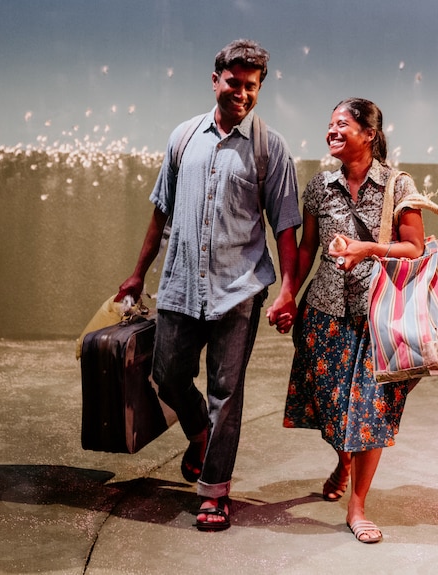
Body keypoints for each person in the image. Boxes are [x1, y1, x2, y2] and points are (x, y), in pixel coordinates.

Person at [116, 39, 301, 531]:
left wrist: (287, 290)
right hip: (180, 282)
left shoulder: (268, 147)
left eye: (251, 86)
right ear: (215, 79)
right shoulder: (183, 138)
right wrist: (138, 273)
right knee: (167, 374)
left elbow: (285, 225)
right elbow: (161, 211)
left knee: (227, 391)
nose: (242, 93)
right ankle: (198, 434)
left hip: (239, 289)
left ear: (259, 88)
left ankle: (215, 492)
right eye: (234, 83)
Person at [281, 98, 425, 544]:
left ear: (369, 134)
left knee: (371, 414)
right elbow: (307, 249)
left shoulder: (398, 186)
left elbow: (415, 248)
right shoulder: (319, 187)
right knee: (331, 409)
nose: (332, 131)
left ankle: (357, 506)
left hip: (379, 318)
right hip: (324, 313)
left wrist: (367, 250)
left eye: (342, 124)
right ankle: (343, 459)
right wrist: (289, 294)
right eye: (329, 125)